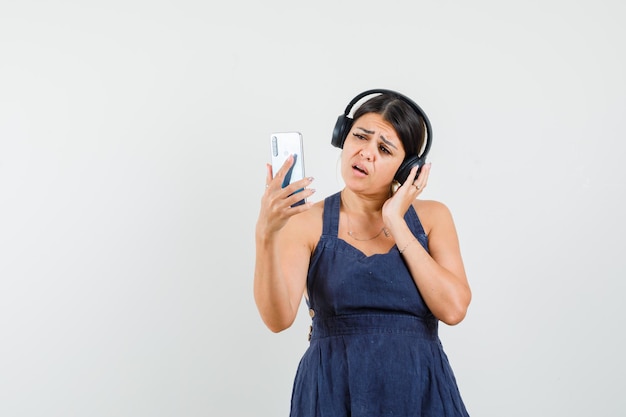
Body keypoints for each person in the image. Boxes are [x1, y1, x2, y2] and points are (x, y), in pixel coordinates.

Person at [254, 89, 471, 417]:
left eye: (384, 149)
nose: (366, 153)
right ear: (343, 137)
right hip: (332, 390)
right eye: (360, 136)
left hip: (419, 390)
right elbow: (278, 319)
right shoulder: (306, 222)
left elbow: (453, 309)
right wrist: (266, 235)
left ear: (406, 169)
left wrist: (396, 222)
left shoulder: (433, 217)